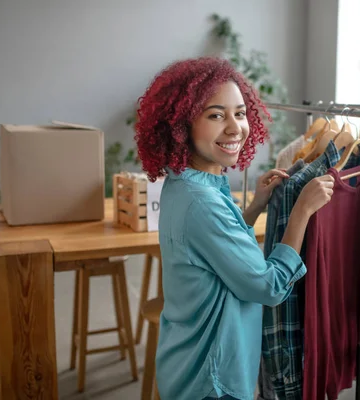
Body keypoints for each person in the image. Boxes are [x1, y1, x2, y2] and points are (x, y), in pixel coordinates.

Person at [134, 57, 334, 400]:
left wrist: (255, 206)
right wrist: (301, 210)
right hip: (211, 378)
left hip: (189, 359)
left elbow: (218, 254)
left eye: (240, 113)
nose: (234, 128)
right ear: (182, 125)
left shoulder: (188, 183)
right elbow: (268, 287)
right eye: (216, 115)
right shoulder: (202, 202)